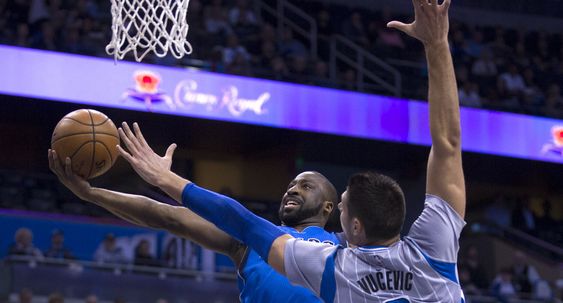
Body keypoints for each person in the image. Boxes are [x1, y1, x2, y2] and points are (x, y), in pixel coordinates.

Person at [110, 0, 465, 301]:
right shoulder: (432, 249)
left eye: (340, 208)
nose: (337, 211)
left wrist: (165, 179)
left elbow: (241, 221)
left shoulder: (335, 268)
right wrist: (437, 44)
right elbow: (447, 143)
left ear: (354, 228)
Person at [48, 157, 342, 301]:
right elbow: (167, 216)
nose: (292, 190)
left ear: (328, 207)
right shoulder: (252, 239)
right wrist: (92, 194)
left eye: (305, 187)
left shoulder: (346, 249)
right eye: (290, 185)